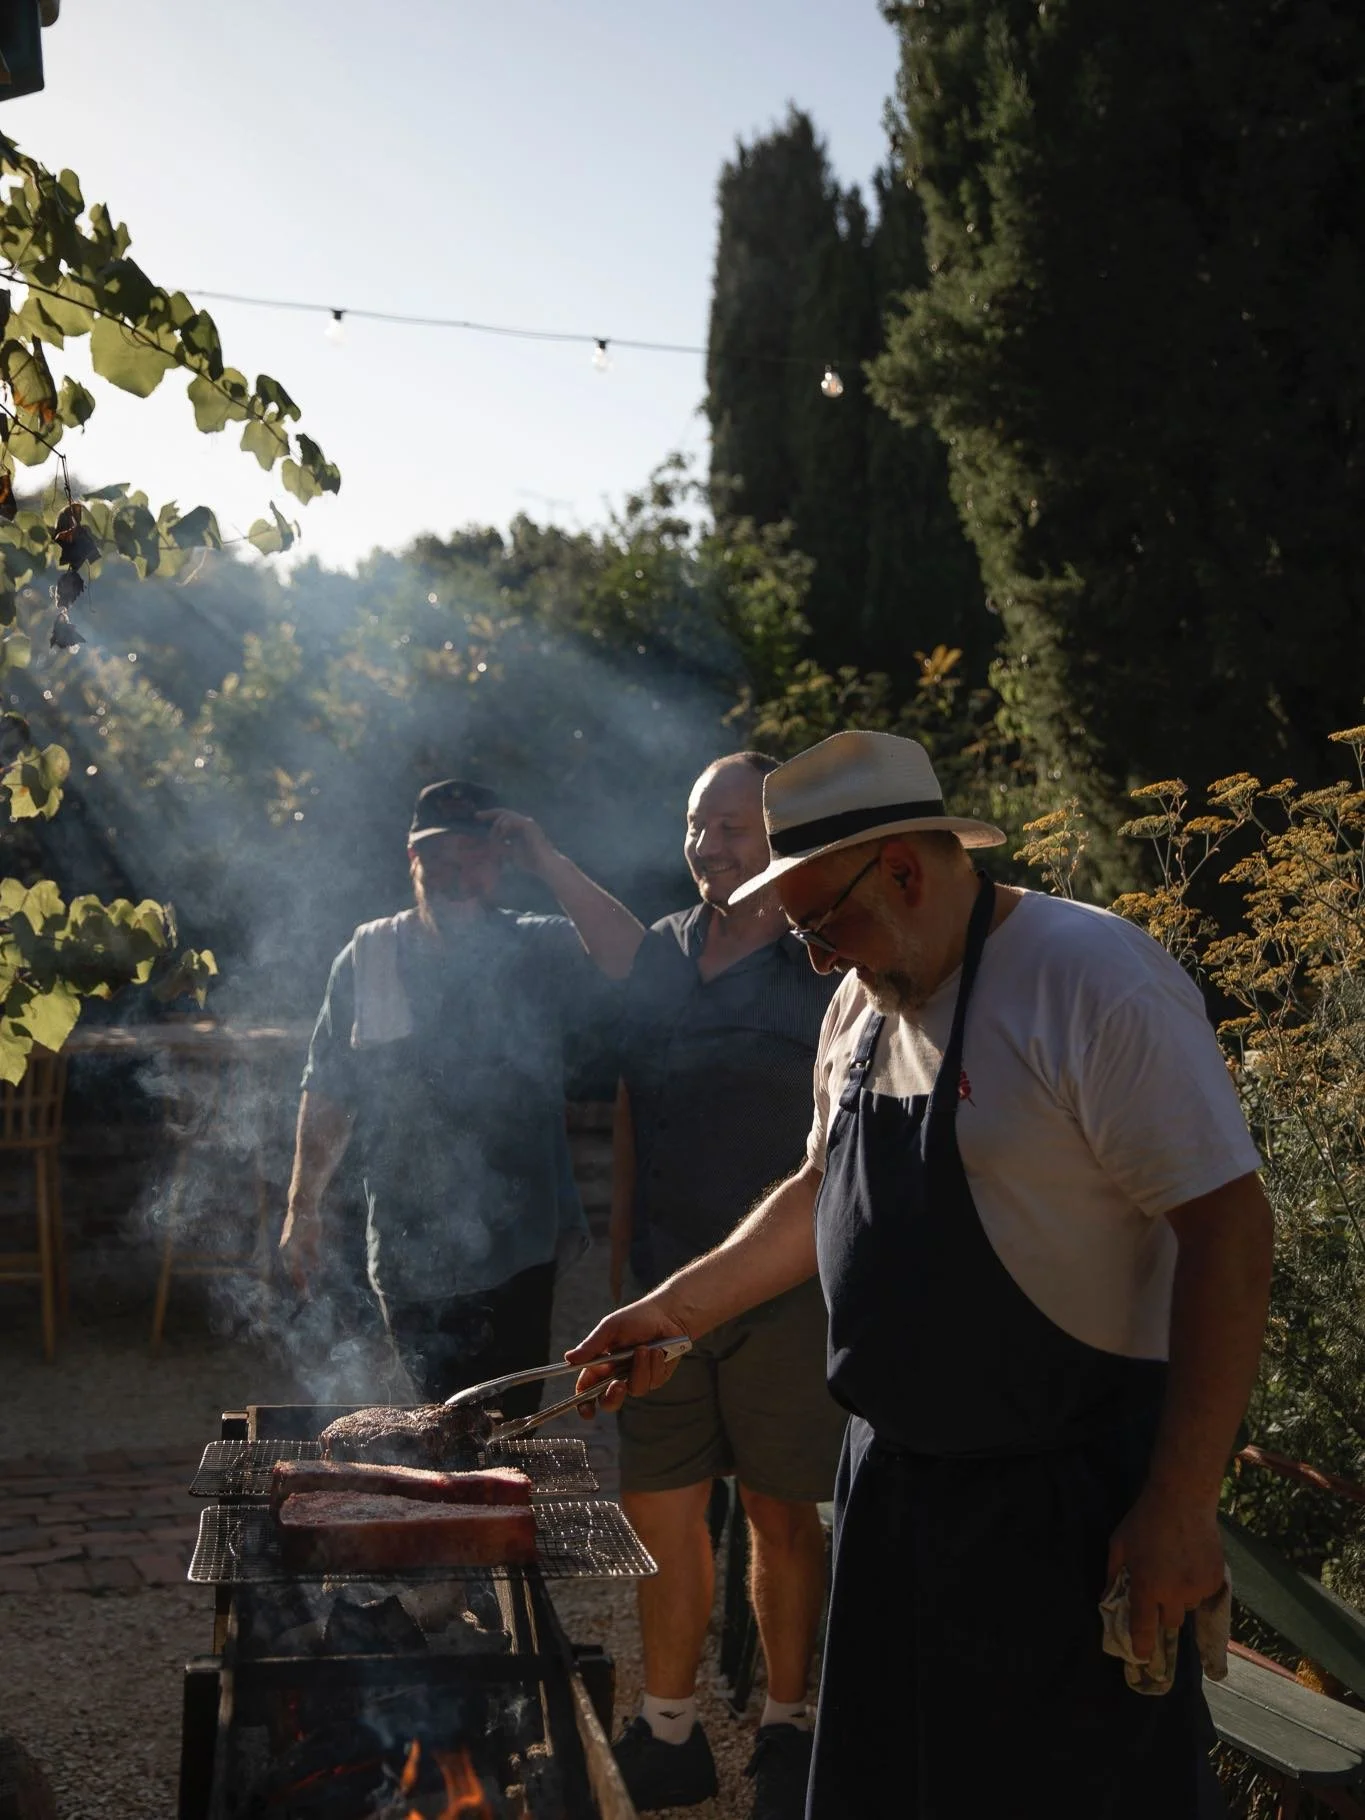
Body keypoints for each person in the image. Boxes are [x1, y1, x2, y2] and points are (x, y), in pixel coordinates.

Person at [569, 730, 1273, 1819]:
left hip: (1067, 1511)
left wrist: (1182, 1502)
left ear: (903, 866)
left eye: (819, 922)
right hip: (893, 1493)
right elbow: (820, 1189)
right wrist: (675, 1308)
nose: (810, 958)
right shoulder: (861, 1003)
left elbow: (1229, 1228)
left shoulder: (1092, 982)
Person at [609, 753, 845, 1819]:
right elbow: (630, 1107)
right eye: (698, 824)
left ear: (783, 836)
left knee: (781, 1511)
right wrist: (626, 1250)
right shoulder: (662, 950)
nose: (712, 846)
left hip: (788, 1290)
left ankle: (789, 1731)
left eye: (736, 828)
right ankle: (668, 1732)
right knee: (658, 1506)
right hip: (664, 1285)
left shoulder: (824, 959)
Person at [280, 778, 642, 1414]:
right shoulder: (370, 958)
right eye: (439, 854)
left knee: (508, 1432)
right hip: (407, 1240)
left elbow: (635, 959)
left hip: (519, 1240)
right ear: (412, 859)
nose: (456, 870)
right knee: (438, 1424)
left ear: (501, 860)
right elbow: (329, 1088)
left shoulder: (537, 944)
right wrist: (300, 1206)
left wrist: (549, 859)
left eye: (473, 853)